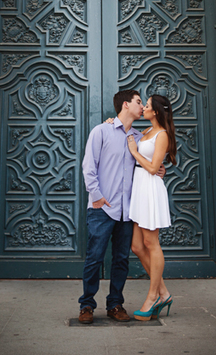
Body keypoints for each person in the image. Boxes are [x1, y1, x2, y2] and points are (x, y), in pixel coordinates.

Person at [78, 90, 145, 324]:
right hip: (102, 208)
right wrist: (96, 195)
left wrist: (161, 169)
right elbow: (89, 166)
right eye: (139, 102)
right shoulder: (101, 131)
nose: (143, 106)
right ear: (126, 105)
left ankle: (115, 304)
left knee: (121, 260)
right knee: (94, 258)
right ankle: (86, 304)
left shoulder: (139, 137)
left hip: (127, 211)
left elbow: (150, 164)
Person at [127, 94, 177, 320]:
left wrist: (135, 152)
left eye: (146, 106)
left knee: (151, 242)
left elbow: (154, 166)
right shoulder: (146, 131)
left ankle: (152, 296)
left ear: (155, 111)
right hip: (140, 188)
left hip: (149, 188)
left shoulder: (162, 134)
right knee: (137, 246)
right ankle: (164, 292)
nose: (144, 109)